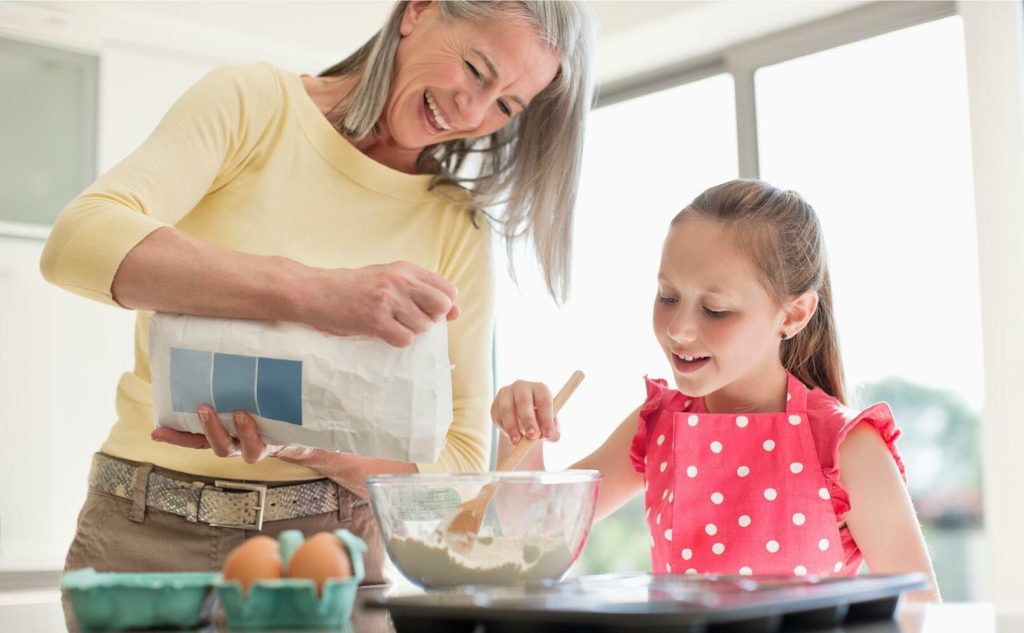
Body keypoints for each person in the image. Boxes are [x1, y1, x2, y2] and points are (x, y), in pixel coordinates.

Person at [40, 0, 595, 596]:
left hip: (332, 553)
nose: (474, 109)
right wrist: (315, 293)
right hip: (145, 539)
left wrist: (305, 445)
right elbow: (77, 245)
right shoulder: (255, 106)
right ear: (419, 11)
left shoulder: (456, 227)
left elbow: (457, 465)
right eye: (476, 68)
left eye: (506, 105)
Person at [491, 179, 941, 601]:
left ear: (794, 314)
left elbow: (921, 613)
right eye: (668, 298)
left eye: (716, 310)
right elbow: (531, 537)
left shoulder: (847, 448)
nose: (680, 330)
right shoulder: (657, 424)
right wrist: (520, 432)